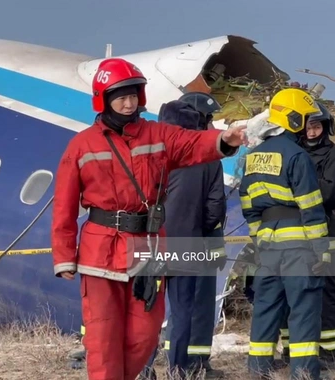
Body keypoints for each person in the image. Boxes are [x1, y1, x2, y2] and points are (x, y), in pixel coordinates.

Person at [51, 57, 245, 380]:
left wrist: (223, 141)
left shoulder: (157, 135)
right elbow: (64, 206)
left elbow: (191, 143)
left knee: (144, 335)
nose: (128, 104)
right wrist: (63, 256)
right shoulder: (81, 146)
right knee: (103, 337)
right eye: (121, 97)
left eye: (133, 96)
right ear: (104, 99)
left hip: (146, 248)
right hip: (101, 251)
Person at [239, 87, 331, 380]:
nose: (307, 126)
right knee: (303, 310)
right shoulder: (297, 156)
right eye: (305, 120)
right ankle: (304, 373)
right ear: (293, 119)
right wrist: (321, 250)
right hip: (299, 247)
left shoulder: (253, 157)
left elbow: (247, 204)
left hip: (268, 245)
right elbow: (311, 206)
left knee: (266, 308)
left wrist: (260, 239)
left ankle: (258, 370)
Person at [140, 93, 228, 379]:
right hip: (188, 242)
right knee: (182, 310)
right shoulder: (209, 158)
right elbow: (215, 207)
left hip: (150, 242)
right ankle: (178, 370)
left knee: (147, 308)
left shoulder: (146, 153)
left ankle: (143, 368)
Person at [276, 101, 335, 371]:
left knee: (323, 292)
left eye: (316, 126)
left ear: (326, 127)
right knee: (289, 292)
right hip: (289, 234)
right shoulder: (291, 153)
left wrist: (293, 190)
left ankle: (330, 352)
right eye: (307, 126)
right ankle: (293, 349)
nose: (311, 132)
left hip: (321, 233)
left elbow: (328, 195)